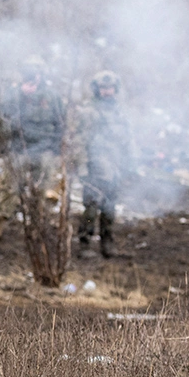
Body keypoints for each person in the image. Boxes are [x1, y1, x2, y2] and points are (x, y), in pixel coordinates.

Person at [0, 56, 65, 243]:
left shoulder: (52, 97)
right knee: (9, 188)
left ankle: (37, 227)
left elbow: (60, 123)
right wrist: (21, 97)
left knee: (40, 191)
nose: (30, 77)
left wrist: (55, 148)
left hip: (43, 150)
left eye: (34, 73)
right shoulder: (13, 95)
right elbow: (2, 120)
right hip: (19, 150)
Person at [78, 71, 133, 258]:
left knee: (110, 207)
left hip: (116, 164)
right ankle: (85, 243)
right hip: (95, 166)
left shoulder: (120, 112)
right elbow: (80, 141)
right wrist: (82, 166)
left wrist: (131, 163)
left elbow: (128, 140)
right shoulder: (88, 111)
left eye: (110, 88)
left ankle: (107, 241)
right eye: (103, 88)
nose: (107, 92)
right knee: (92, 206)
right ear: (96, 89)